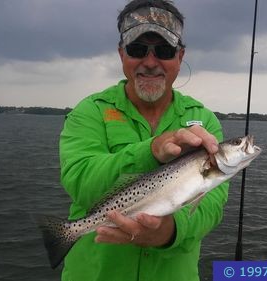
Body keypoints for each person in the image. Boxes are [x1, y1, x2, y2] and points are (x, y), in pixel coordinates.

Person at [59, 1, 229, 280]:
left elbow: (211, 204)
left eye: (164, 51)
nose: (150, 63)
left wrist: (170, 232)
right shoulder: (89, 112)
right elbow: (80, 183)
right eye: (138, 50)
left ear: (180, 55)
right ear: (121, 53)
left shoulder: (203, 120)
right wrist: (150, 151)